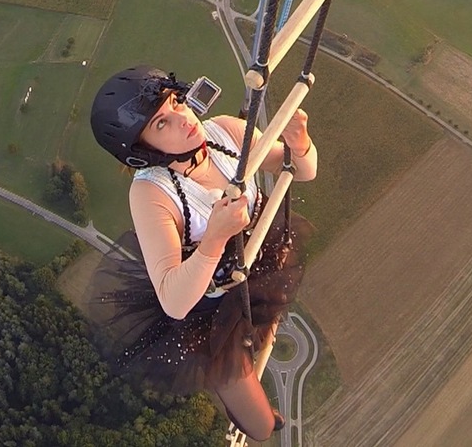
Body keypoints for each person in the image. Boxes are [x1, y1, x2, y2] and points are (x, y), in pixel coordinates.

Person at [89, 66, 317, 441]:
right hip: (210, 309)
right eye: (162, 123)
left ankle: (254, 347)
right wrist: (214, 238)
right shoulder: (151, 194)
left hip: (259, 261)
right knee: (260, 424)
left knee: (263, 327)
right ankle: (254, 417)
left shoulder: (225, 131)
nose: (183, 118)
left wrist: (300, 142)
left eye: (176, 102)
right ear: (142, 152)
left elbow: (302, 170)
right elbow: (174, 301)